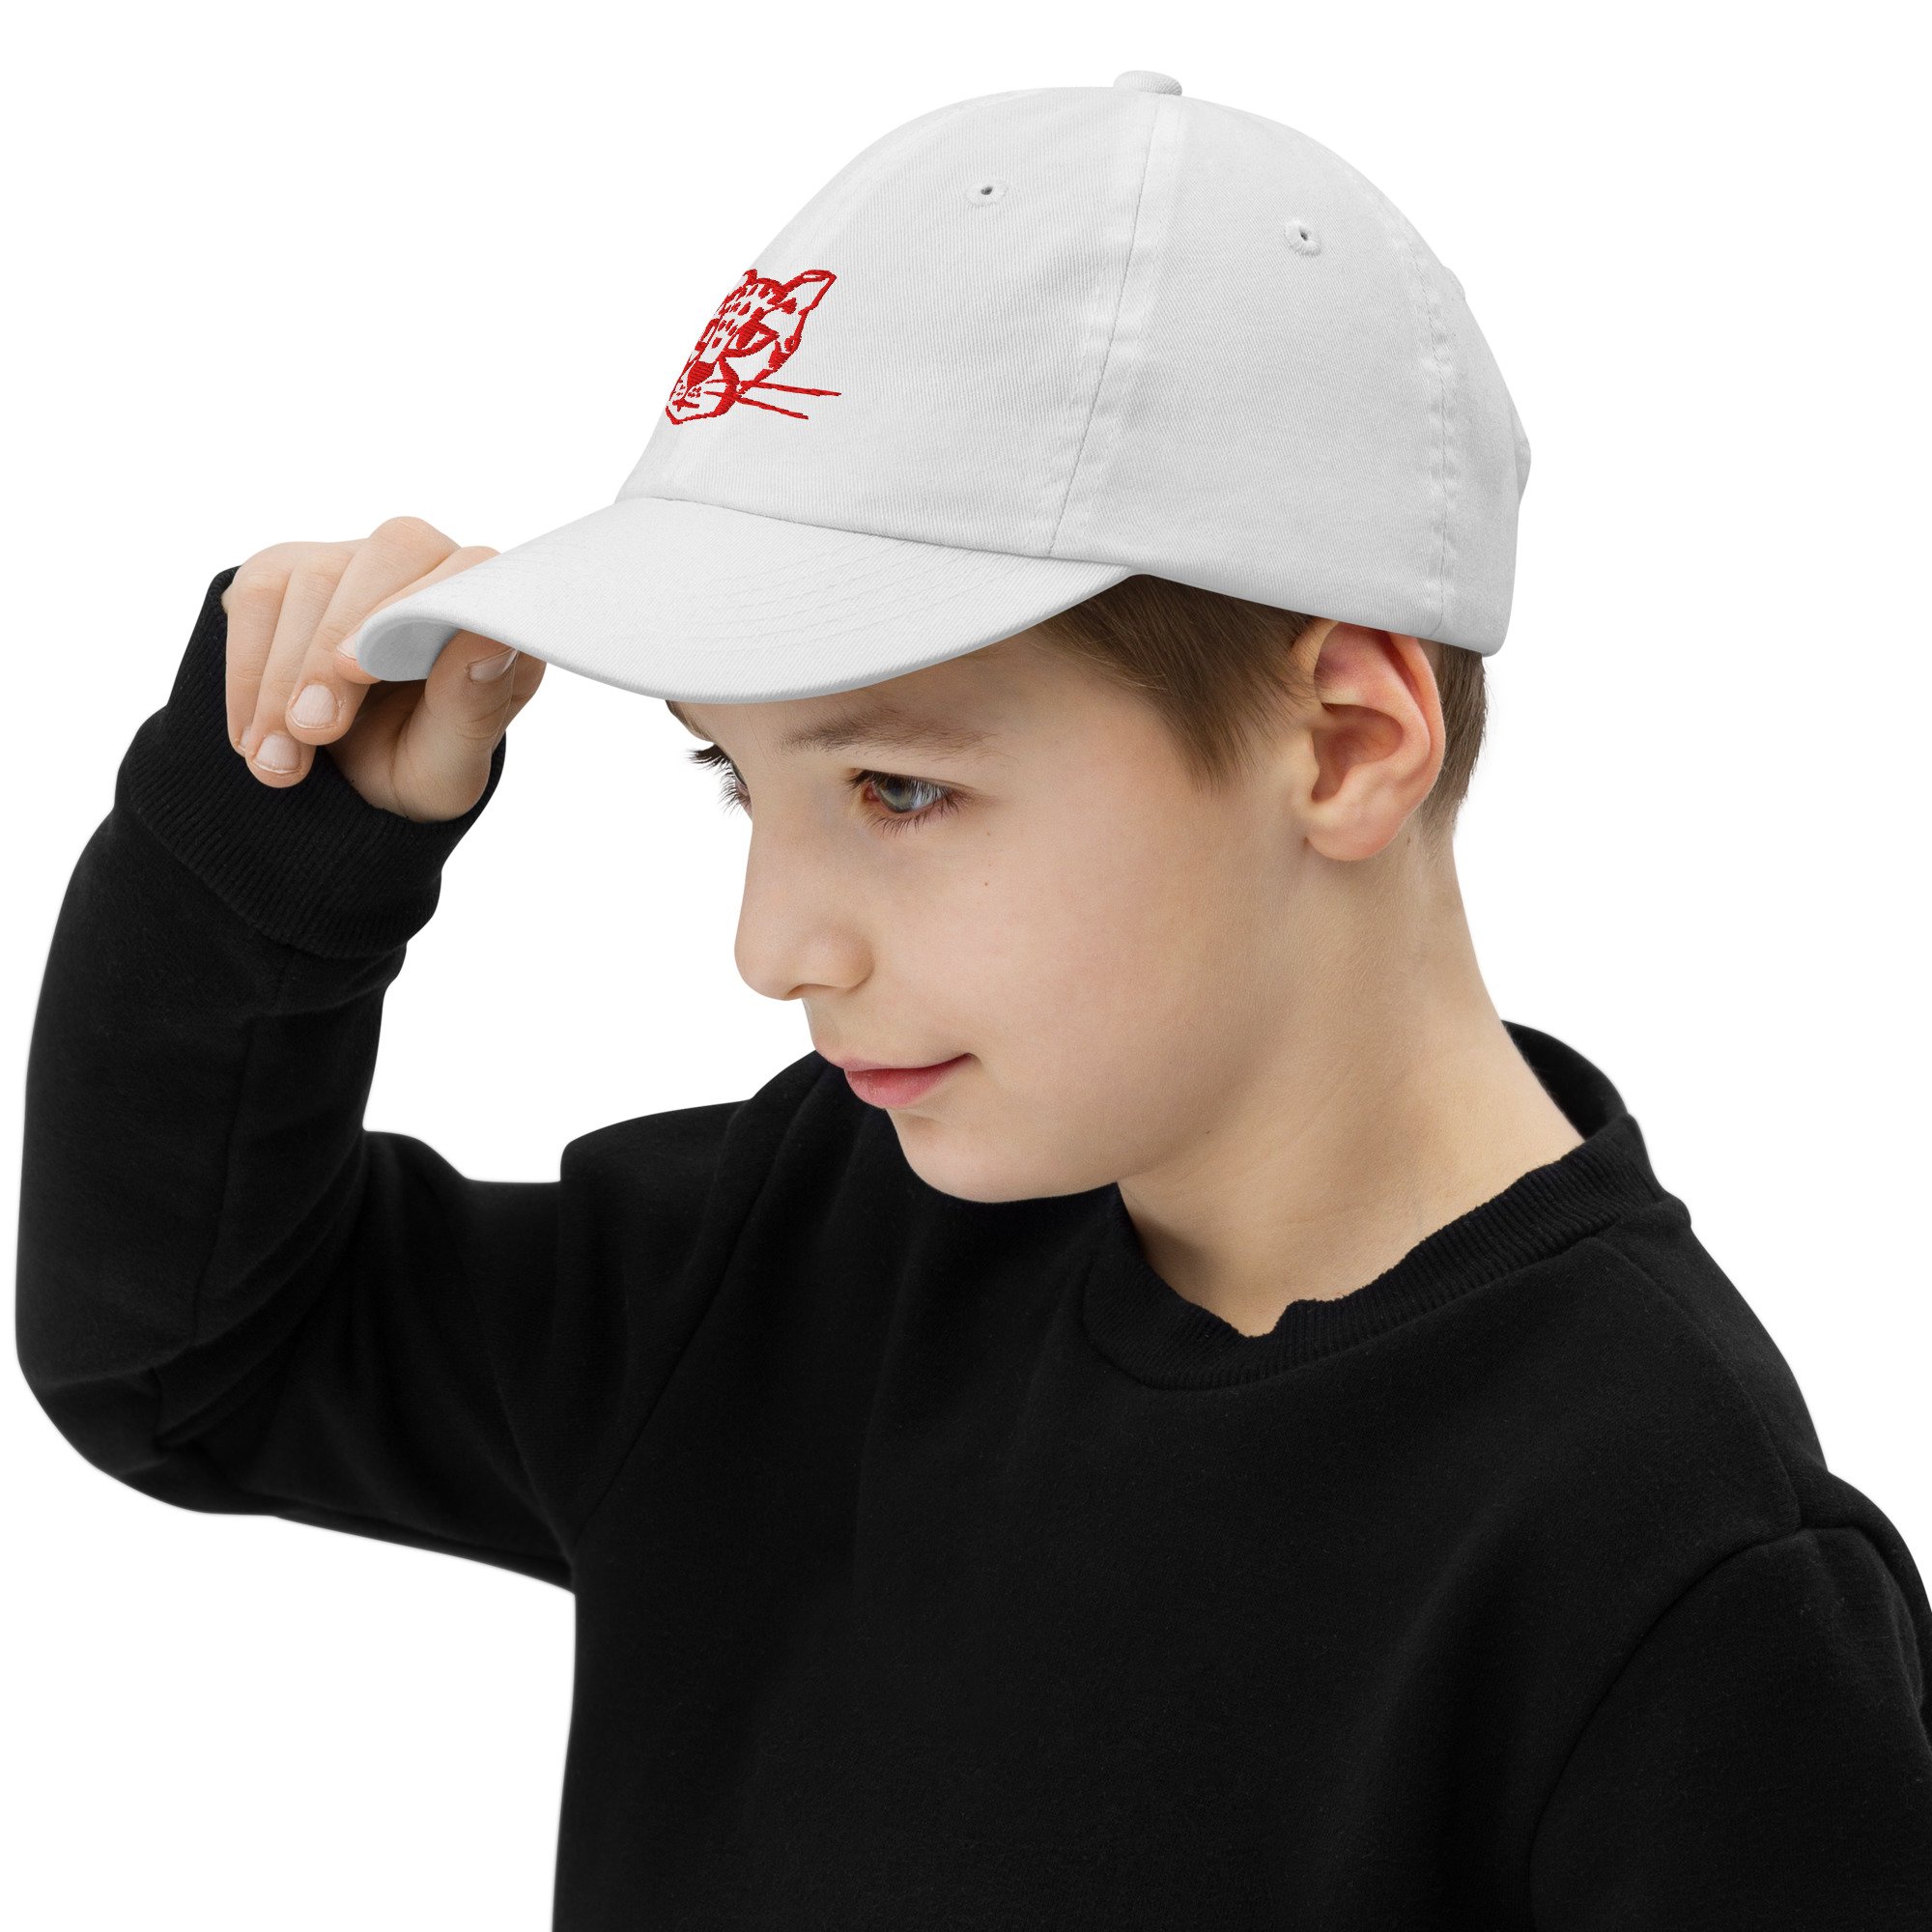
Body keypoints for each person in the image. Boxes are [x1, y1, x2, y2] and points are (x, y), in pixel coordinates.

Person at [17, 70, 1932, 1929]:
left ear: (1346, 740)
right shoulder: (814, 1254)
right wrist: (277, 835)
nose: (772, 946)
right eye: (735, 777)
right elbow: (183, 1362)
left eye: (899, 788)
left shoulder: (1675, 1585)